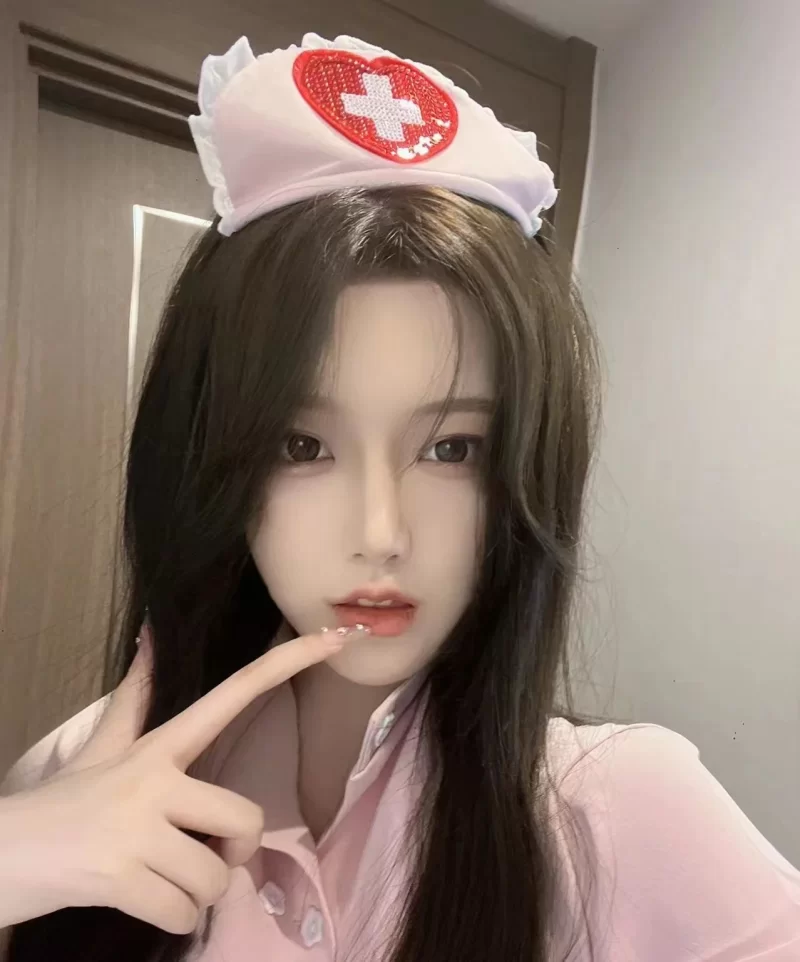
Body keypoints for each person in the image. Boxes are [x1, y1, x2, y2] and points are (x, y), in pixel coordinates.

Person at [0, 30, 798, 962]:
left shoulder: (615, 813)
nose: (381, 533)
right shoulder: (72, 782)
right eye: (302, 446)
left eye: (452, 449)